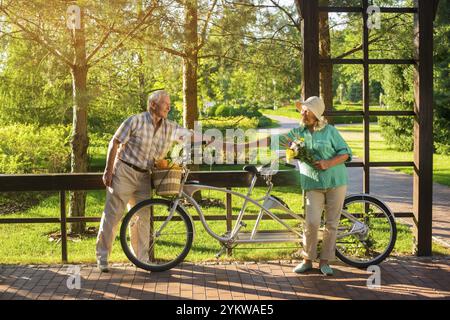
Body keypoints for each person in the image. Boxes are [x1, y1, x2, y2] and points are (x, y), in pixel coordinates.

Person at [96, 90, 191, 272]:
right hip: (124, 171)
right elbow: (114, 142)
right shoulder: (135, 121)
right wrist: (108, 170)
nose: (169, 107)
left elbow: (190, 135)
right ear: (153, 105)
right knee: (113, 215)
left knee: (142, 218)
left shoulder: (169, 127)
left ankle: (141, 259)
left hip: (145, 176)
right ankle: (102, 258)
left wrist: (212, 140)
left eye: (169, 104)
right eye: (165, 103)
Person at [282, 96, 352, 276]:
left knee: (332, 223)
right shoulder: (298, 132)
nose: (303, 112)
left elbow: (345, 153)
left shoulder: (330, 131)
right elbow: (277, 140)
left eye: (307, 110)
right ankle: (307, 260)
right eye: (303, 109)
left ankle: (325, 261)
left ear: (316, 114)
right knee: (312, 222)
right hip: (312, 183)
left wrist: (328, 163)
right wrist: (242, 144)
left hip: (336, 182)